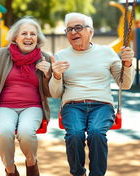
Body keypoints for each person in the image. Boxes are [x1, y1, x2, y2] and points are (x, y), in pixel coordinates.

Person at [49, 12, 135, 176]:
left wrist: (128, 63)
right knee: (75, 133)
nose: (73, 32)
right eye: (69, 29)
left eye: (78, 28)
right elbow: (55, 93)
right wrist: (57, 76)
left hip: (101, 105)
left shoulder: (107, 53)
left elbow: (125, 84)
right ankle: (78, 172)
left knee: (96, 132)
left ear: (91, 31)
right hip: (72, 106)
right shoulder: (61, 56)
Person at [0, 16, 52, 176]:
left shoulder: (44, 58)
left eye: (33, 34)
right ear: (15, 37)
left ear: (38, 38)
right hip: (4, 107)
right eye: (24, 33)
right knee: (4, 132)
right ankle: (10, 170)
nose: (28, 37)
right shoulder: (2, 55)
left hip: (32, 106)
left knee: (26, 132)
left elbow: (50, 92)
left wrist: (48, 74)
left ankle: (31, 163)